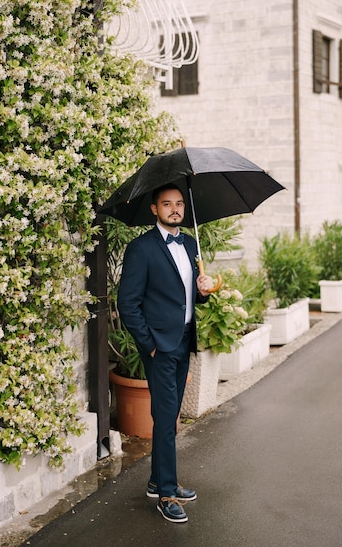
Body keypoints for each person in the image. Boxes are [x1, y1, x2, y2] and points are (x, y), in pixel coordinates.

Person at [117, 183, 213, 523]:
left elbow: (188, 293)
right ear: (154, 210)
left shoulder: (189, 243)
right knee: (167, 417)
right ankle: (167, 494)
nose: (175, 209)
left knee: (169, 415)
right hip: (160, 347)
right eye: (167, 204)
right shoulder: (140, 249)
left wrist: (203, 291)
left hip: (184, 340)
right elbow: (127, 304)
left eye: (179, 204)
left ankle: (158, 480)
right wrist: (150, 344)